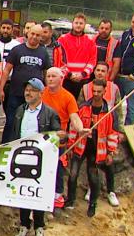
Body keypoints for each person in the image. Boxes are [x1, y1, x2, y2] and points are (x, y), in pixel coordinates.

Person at [12, 78, 60, 236]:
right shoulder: (20, 111)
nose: (28, 92)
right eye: (26, 89)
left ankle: (39, 226)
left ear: (40, 93)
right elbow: (13, 133)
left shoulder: (50, 113)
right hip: (22, 159)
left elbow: (56, 135)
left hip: (41, 161)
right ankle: (24, 224)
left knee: (38, 193)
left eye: (32, 90)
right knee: (23, 194)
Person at [65, 79, 119, 218]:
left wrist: (110, 152)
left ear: (104, 92)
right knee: (73, 175)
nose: (95, 94)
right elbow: (73, 127)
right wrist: (70, 145)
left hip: (96, 150)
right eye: (94, 91)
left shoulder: (109, 113)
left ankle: (93, 204)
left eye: (99, 92)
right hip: (80, 146)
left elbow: (112, 133)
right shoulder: (83, 108)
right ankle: (70, 201)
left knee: (93, 178)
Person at [78, 62, 122, 207]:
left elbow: (118, 111)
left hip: (107, 131)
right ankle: (92, 188)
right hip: (90, 133)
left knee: (108, 164)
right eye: (98, 70)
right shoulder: (85, 88)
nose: (100, 73)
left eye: (103, 70)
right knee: (92, 164)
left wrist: (119, 130)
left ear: (107, 72)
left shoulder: (114, 89)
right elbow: (79, 108)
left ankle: (111, 191)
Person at [41, 67, 84, 211]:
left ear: (61, 79)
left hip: (58, 139)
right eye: (48, 76)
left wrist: (80, 129)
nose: (50, 79)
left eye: (53, 76)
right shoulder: (41, 93)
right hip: (41, 137)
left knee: (57, 167)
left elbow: (74, 117)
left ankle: (57, 195)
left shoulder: (68, 97)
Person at [0, 24, 50, 142]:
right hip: (16, 93)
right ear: (27, 33)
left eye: (38, 35)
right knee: (11, 122)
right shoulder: (17, 50)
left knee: (31, 123)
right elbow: (6, 70)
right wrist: (1, 89)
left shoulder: (43, 52)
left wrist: (46, 91)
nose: (34, 37)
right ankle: (5, 146)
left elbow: (46, 73)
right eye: (32, 34)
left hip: (35, 97)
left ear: (41, 37)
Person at [0, 19, 20, 141]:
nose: (5, 30)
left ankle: (7, 141)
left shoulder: (17, 46)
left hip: (9, 83)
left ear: (12, 30)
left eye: (8, 28)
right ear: (0, 28)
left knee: (10, 115)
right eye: (3, 27)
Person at [57, 13, 96, 99]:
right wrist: (69, 74)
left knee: (81, 106)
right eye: (76, 23)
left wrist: (83, 74)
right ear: (72, 23)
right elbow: (60, 59)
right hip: (66, 79)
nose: (78, 25)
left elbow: (92, 60)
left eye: (81, 23)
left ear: (85, 25)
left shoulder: (90, 41)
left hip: (84, 79)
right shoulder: (62, 39)